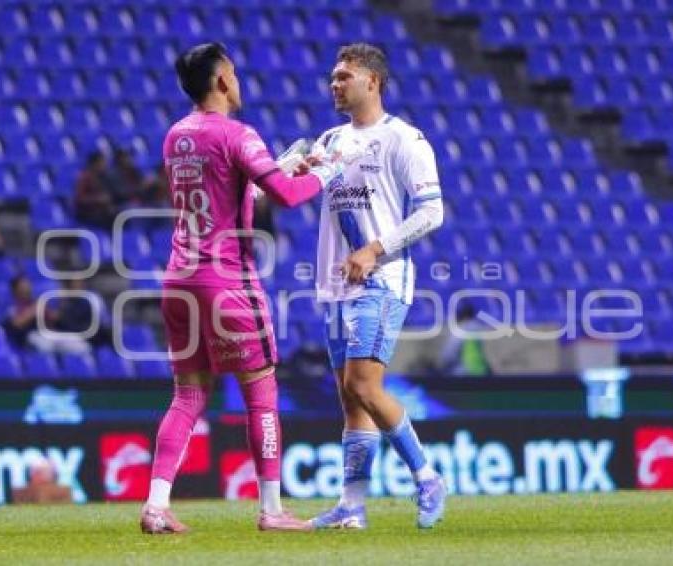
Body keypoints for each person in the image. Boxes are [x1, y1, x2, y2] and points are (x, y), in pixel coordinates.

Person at [140, 42, 342, 534]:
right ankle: (271, 510)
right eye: (233, 72)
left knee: (188, 395)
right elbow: (288, 197)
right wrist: (327, 171)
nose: (238, 80)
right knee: (261, 389)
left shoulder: (175, 135)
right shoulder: (237, 133)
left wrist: (277, 168)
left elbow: (222, 193)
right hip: (226, 278)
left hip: (179, 278)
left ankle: (156, 506)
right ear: (222, 80)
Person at [297, 43, 447, 529]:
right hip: (337, 284)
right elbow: (299, 188)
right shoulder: (330, 140)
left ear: (373, 82)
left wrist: (375, 249)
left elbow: (432, 212)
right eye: (332, 77)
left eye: (344, 76)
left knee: (364, 385)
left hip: (381, 278)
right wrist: (293, 172)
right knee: (350, 396)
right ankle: (352, 507)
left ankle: (427, 477)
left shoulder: (405, 139)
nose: (334, 84)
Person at [73, 151, 116, 229]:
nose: (105, 165)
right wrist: (97, 199)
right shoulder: (84, 178)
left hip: (101, 211)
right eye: (103, 162)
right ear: (95, 164)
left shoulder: (102, 177)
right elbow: (80, 199)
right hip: (87, 214)